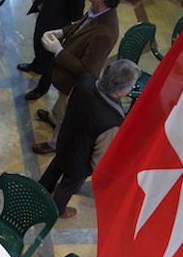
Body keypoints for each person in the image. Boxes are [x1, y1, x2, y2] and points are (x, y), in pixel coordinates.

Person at [38, 59, 140, 218]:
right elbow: (100, 155)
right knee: (67, 186)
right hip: (79, 163)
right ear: (121, 92)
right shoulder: (113, 120)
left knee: (55, 166)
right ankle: (58, 209)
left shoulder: (84, 81)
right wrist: (93, 170)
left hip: (65, 140)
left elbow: (68, 105)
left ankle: (41, 190)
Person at [32, 0, 120, 155]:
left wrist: (58, 50)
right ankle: (53, 117)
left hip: (74, 82)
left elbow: (85, 69)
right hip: (66, 76)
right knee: (61, 102)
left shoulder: (104, 33)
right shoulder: (97, 10)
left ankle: (54, 143)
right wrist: (61, 32)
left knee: (65, 115)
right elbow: (80, 27)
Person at [17, 0, 84, 101]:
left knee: (49, 59)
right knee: (38, 42)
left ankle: (42, 88)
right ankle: (37, 66)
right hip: (45, 13)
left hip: (57, 23)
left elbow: (76, 15)